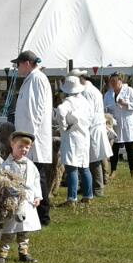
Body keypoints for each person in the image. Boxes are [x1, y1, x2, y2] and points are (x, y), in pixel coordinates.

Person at [12, 50, 53, 225]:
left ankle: (43, 215)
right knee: (32, 174)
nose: (17, 67)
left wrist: (30, 138)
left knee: (37, 175)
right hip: (27, 136)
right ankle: (33, 210)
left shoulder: (36, 79)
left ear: (27, 63)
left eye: (18, 64)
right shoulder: (31, 80)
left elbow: (36, 111)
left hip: (32, 137)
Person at [0, 131, 42, 263]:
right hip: (12, 202)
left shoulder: (31, 165)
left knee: (24, 229)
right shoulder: (5, 165)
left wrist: (37, 196)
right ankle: (2, 254)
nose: (23, 150)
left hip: (27, 202)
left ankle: (24, 252)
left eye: (27, 148)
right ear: (12, 145)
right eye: (20, 146)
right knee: (9, 229)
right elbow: (1, 183)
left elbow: (36, 181)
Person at [55, 75, 93, 206]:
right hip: (84, 135)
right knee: (84, 167)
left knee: (72, 168)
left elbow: (60, 111)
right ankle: (88, 195)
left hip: (72, 136)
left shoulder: (68, 102)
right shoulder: (85, 101)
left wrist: (63, 125)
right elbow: (91, 117)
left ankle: (72, 198)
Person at [73, 69, 112, 197]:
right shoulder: (93, 90)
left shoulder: (87, 91)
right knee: (92, 158)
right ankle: (87, 186)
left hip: (92, 127)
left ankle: (98, 188)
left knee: (93, 159)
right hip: (95, 126)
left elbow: (87, 112)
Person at [104, 73, 133, 177]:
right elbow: (104, 107)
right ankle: (113, 170)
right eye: (111, 81)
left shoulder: (129, 91)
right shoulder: (108, 94)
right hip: (114, 125)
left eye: (115, 81)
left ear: (120, 81)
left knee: (130, 148)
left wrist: (126, 104)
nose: (113, 84)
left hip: (127, 123)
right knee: (114, 148)